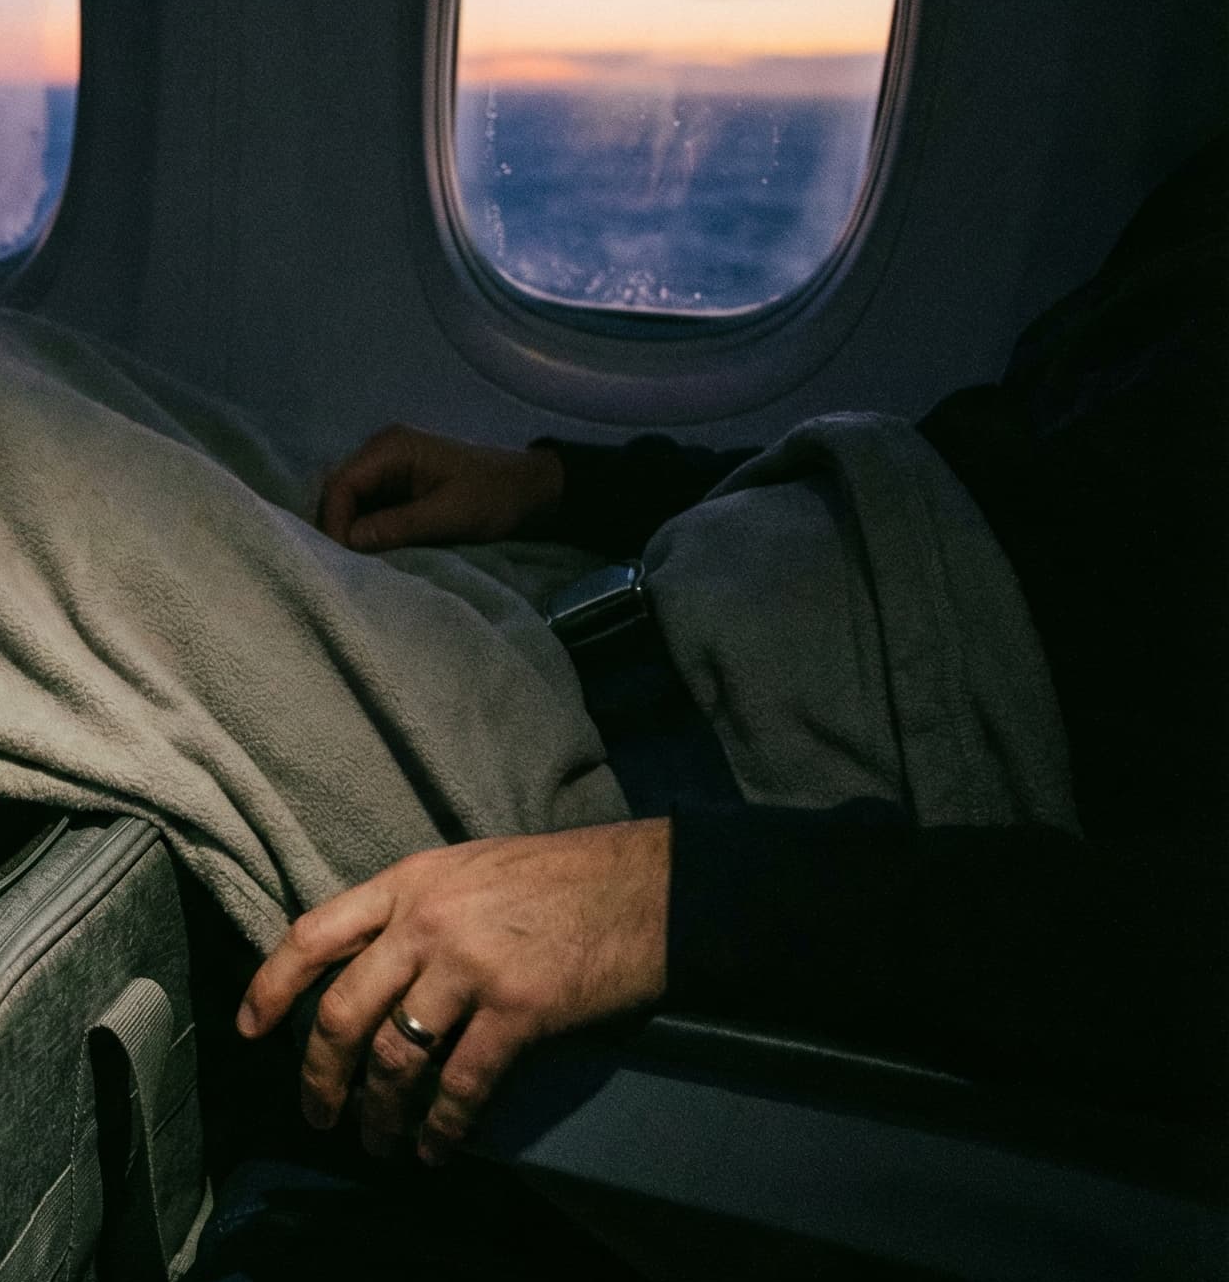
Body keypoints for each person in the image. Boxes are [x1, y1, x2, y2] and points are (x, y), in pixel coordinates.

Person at [236, 132, 1228, 1168]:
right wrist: (559, 485)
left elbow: (1172, 950)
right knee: (186, 444)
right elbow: (1014, 488)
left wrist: (661, 900)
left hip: (792, 806)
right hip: (655, 599)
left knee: (59, 477)